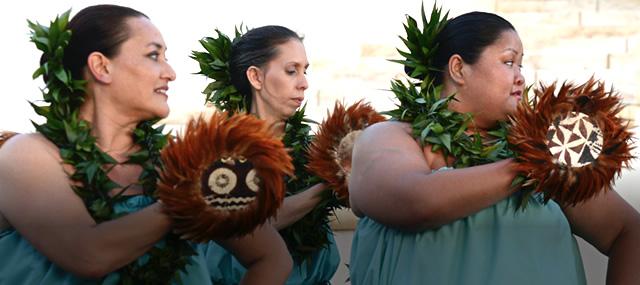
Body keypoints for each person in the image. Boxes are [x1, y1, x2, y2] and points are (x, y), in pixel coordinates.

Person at [0, 5, 292, 284]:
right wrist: (190, 198)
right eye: (154, 56)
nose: (170, 73)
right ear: (101, 66)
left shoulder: (177, 162)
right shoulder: (28, 155)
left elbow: (273, 258)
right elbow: (88, 254)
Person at [348, 10, 640, 285]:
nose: (521, 77)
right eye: (508, 61)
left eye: (521, 64)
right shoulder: (390, 137)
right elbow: (414, 201)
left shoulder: (536, 151)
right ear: (459, 68)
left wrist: (541, 156)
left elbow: (628, 232)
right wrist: (536, 162)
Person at [201, 25, 340, 285]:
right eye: (291, 71)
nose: (304, 83)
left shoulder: (313, 148)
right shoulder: (223, 150)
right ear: (255, 77)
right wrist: (329, 184)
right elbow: (254, 223)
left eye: (305, 70)